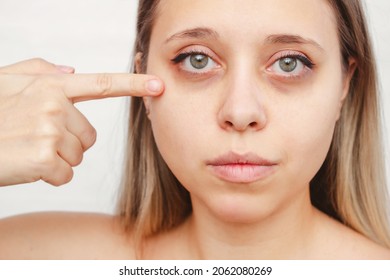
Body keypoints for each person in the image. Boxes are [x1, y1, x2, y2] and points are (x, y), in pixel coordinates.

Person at [0, 0, 389, 259]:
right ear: (143, 79)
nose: (240, 112)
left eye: (290, 63)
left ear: (344, 84)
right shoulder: (30, 255)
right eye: (198, 59)